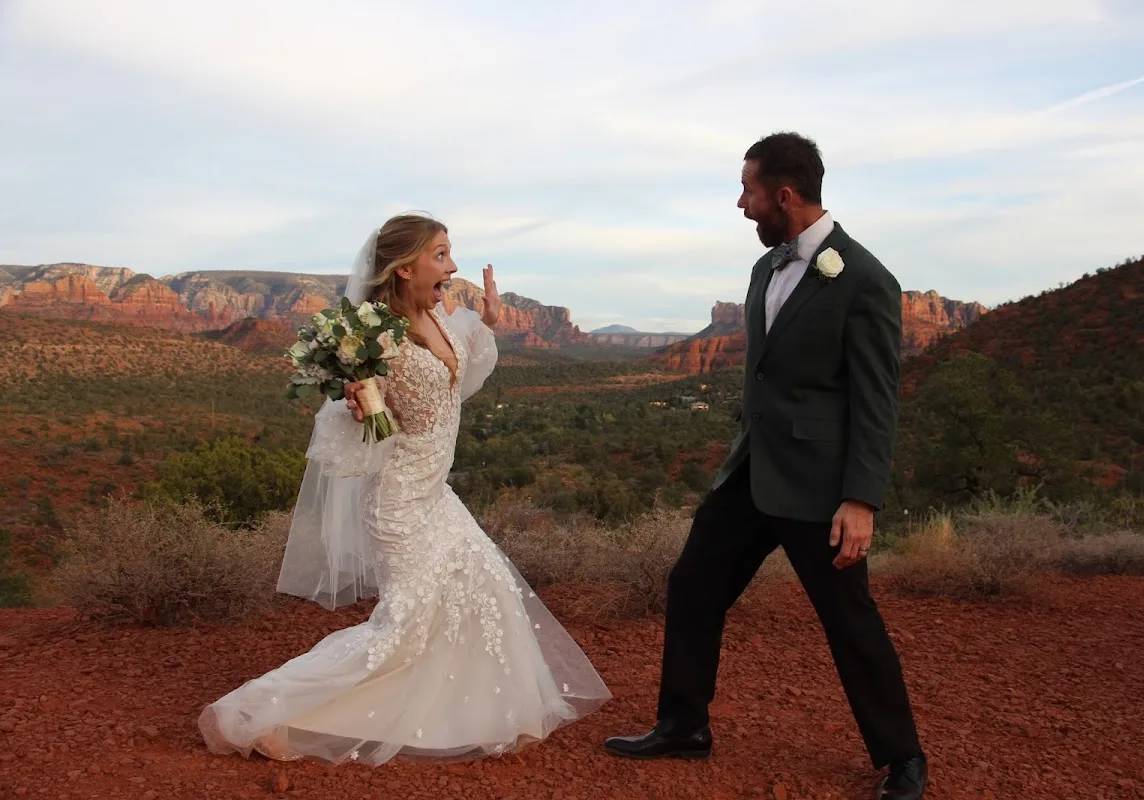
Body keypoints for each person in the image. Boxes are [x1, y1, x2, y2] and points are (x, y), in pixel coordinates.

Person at [199, 213, 610, 765]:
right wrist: (357, 406)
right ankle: (271, 714)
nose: (453, 265)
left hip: (437, 498)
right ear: (403, 267)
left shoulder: (440, 318)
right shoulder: (376, 344)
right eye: (441, 254)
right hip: (399, 507)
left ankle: (482, 710)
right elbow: (354, 439)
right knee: (404, 629)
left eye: (450, 253)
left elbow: (455, 382)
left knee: (485, 585)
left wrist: (485, 320)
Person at [603, 133, 927, 800]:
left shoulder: (863, 278)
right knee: (693, 584)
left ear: (785, 195)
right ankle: (683, 725)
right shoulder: (763, 270)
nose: (741, 204)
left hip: (820, 489)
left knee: (849, 619)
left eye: (748, 190)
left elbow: (875, 400)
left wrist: (861, 499)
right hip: (751, 473)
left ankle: (903, 760)